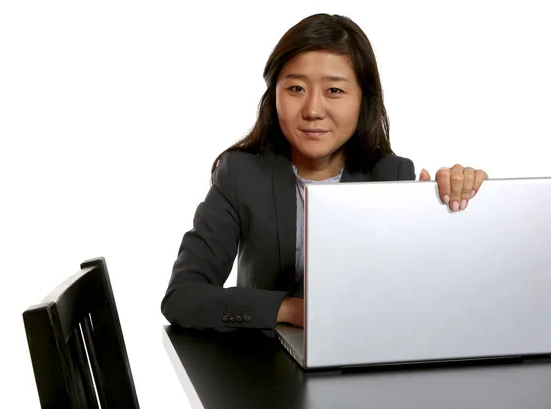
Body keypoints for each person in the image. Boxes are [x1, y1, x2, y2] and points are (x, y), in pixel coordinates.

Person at [160, 13, 488, 332]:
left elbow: (422, 303)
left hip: (362, 361)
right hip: (260, 369)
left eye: (334, 91)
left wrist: (452, 214)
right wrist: (291, 310)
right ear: (274, 95)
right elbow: (181, 298)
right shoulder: (240, 174)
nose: (313, 111)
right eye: (296, 89)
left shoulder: (391, 176)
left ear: (363, 100)